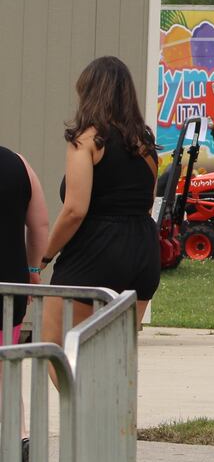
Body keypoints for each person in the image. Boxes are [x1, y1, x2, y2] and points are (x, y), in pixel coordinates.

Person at [42, 57, 161, 340]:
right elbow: (147, 202)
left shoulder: (86, 139)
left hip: (96, 251)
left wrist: (45, 255)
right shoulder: (144, 142)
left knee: (57, 347)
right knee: (112, 357)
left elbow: (74, 210)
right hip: (143, 251)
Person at [2, 145, 48, 462]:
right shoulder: (18, 162)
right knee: (5, 371)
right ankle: (20, 440)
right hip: (10, 286)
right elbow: (40, 224)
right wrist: (33, 270)